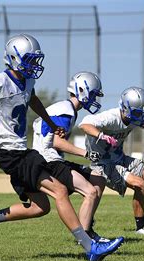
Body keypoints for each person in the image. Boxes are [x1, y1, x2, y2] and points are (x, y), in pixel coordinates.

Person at [0, 34, 124, 261]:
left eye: (36, 60)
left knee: (40, 206)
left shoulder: (26, 82)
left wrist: (52, 123)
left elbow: (32, 99)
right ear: (15, 59)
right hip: (9, 152)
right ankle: (89, 246)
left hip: (18, 151)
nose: (35, 65)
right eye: (30, 60)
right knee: (60, 191)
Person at [78, 86, 144, 234]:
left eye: (142, 112)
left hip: (120, 158)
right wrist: (101, 136)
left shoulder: (140, 116)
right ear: (124, 107)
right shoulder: (111, 117)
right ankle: (140, 226)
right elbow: (84, 124)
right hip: (102, 163)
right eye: (137, 112)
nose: (140, 116)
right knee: (139, 184)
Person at [31, 71, 109, 241]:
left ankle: (86, 229)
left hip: (50, 159)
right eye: (94, 94)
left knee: (98, 179)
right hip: (48, 161)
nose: (95, 98)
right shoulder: (66, 111)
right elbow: (57, 143)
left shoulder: (66, 108)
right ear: (83, 91)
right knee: (90, 192)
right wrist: (86, 153)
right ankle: (85, 238)